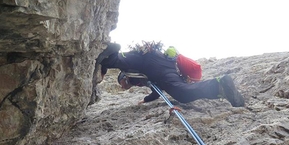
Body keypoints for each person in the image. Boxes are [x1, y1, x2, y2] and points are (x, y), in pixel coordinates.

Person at [97, 42, 245, 107]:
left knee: (181, 93)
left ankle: (219, 85)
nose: (124, 87)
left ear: (123, 77)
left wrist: (106, 61)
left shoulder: (132, 73)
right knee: (181, 93)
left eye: (122, 84)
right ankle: (220, 88)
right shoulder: (139, 74)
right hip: (165, 66)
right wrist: (147, 99)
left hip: (155, 65)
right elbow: (157, 90)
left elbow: (123, 60)